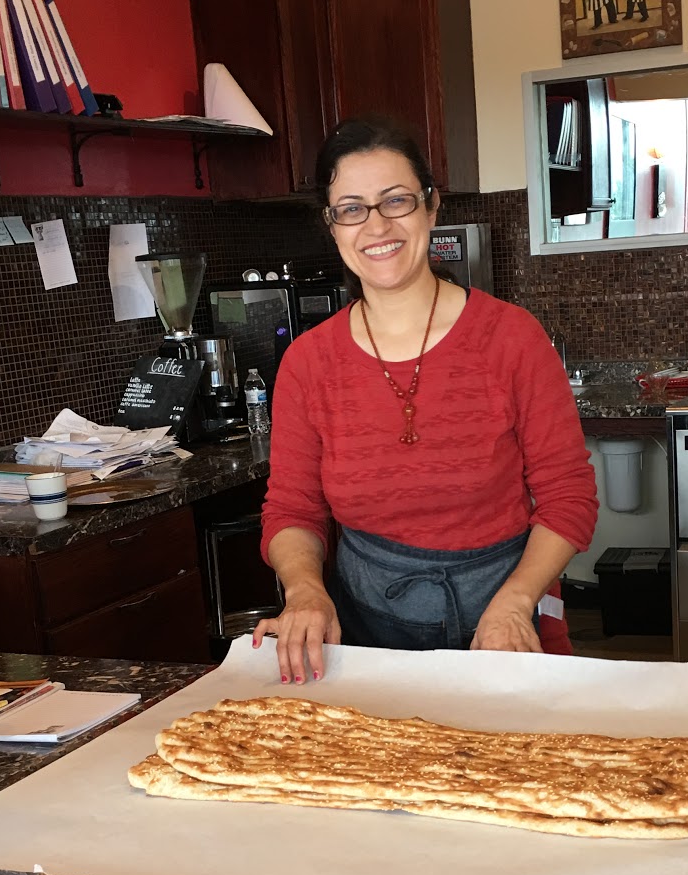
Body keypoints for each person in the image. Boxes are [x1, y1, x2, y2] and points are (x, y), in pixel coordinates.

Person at [253, 117, 598, 685]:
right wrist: (307, 591)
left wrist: (515, 603)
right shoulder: (309, 362)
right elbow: (293, 509)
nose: (376, 225)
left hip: (506, 619)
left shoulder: (512, 338)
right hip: (363, 635)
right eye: (352, 208)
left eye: (396, 201)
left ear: (432, 207)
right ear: (332, 225)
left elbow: (568, 496)